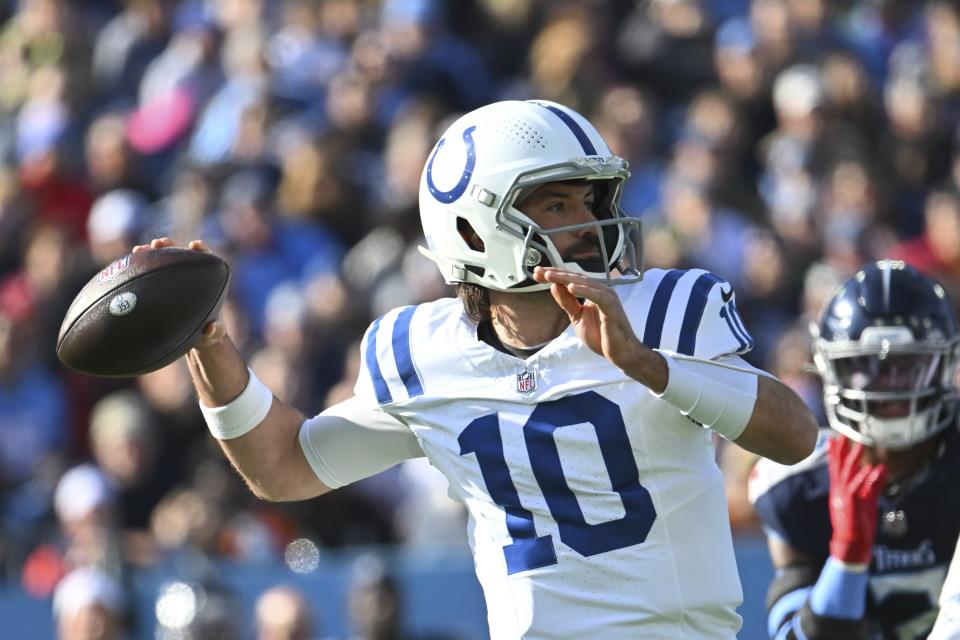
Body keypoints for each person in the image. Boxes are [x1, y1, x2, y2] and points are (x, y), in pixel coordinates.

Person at [138, 99, 817, 639]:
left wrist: (648, 366)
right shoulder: (421, 354)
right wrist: (209, 348)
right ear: (472, 230)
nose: (588, 223)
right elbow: (283, 466)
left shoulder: (663, 310)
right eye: (558, 203)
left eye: (591, 200)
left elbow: (794, 435)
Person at [749, 260, 960, 639]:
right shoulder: (798, 482)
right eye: (870, 366)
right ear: (831, 369)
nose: (891, 386)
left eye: (908, 366)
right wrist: (846, 558)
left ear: (946, 365)